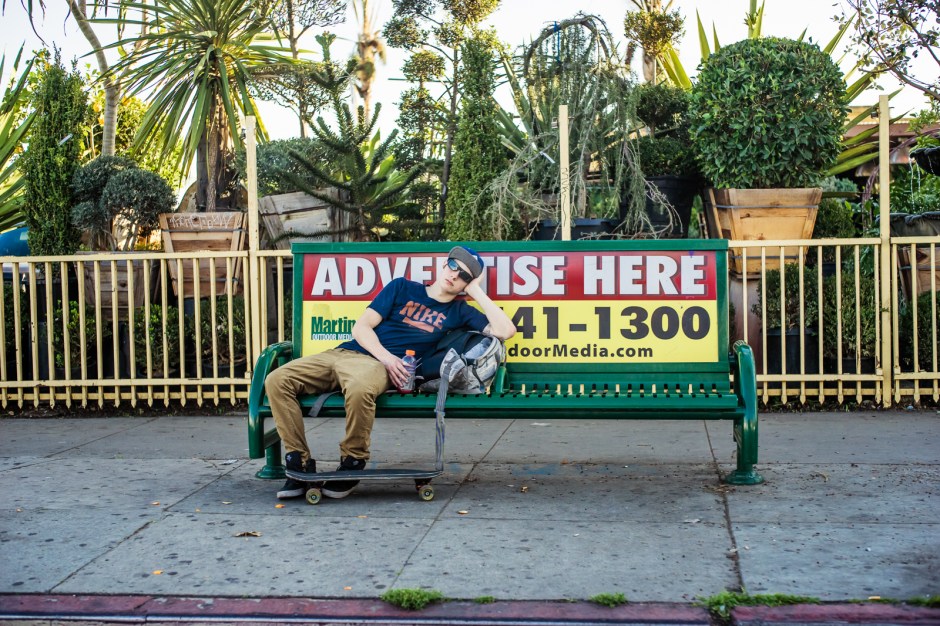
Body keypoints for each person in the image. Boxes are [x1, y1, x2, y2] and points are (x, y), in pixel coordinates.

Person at [266, 246, 516, 499]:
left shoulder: (459, 311)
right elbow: (361, 328)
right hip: (344, 353)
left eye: (464, 276)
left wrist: (475, 291)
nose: (455, 275)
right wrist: (387, 358)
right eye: (453, 266)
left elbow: (505, 331)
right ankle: (298, 462)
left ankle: (352, 461)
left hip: (372, 367)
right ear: (444, 264)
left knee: (360, 388)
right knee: (277, 379)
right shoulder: (401, 287)